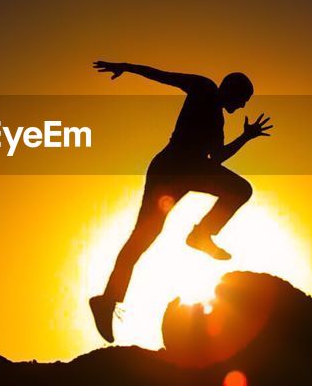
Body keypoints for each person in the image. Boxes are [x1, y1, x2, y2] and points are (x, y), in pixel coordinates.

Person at [88, 61, 273, 343]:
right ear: (232, 90)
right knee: (144, 236)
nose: (243, 105)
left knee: (239, 189)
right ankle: (108, 300)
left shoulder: (217, 121)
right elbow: (163, 76)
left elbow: (218, 157)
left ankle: (201, 235)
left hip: (189, 170)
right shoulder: (204, 88)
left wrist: (245, 137)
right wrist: (125, 67)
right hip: (172, 168)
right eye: (243, 99)